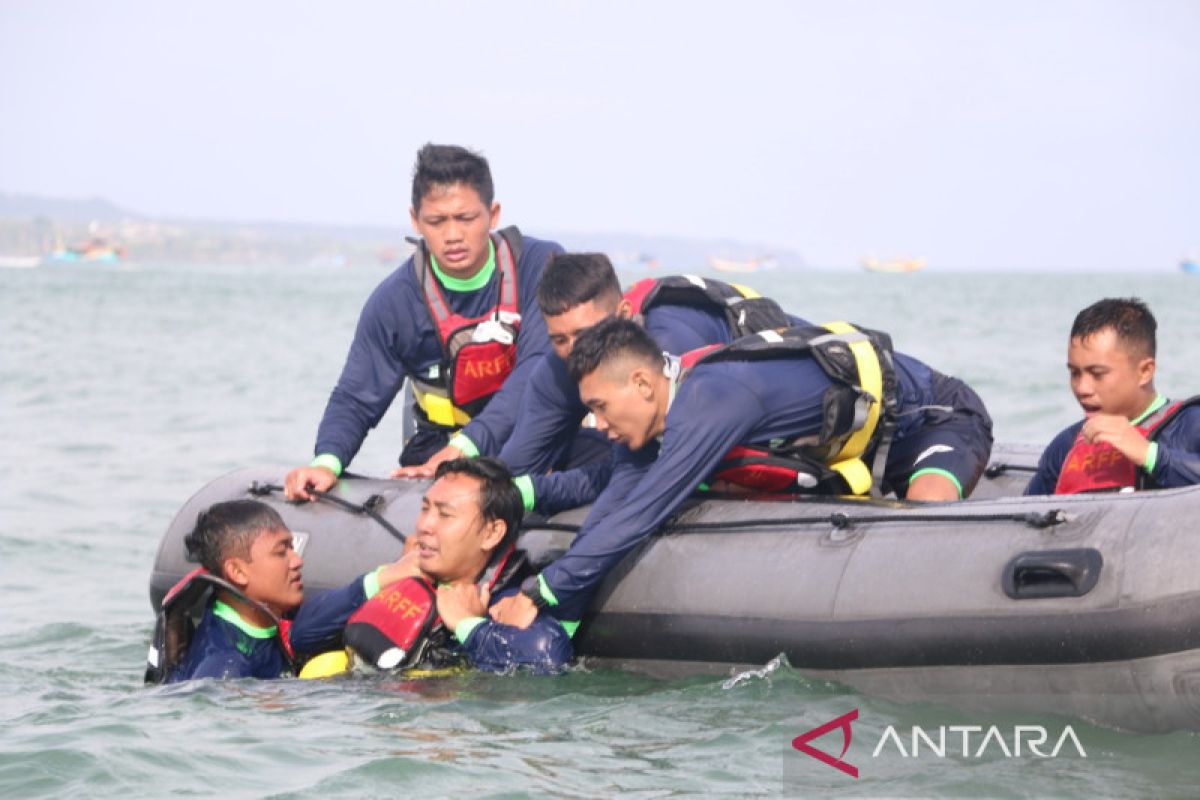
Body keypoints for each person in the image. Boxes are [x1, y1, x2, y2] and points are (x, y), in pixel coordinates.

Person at [492, 318, 993, 628]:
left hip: (935, 419)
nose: (598, 426)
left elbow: (643, 514)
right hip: (866, 454)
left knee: (928, 517)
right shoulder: (656, 424)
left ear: (643, 384)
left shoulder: (710, 401)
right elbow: (614, 505)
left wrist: (539, 592)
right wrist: (563, 609)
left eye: (601, 407)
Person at [283, 144, 562, 502]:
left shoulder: (541, 266)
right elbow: (356, 396)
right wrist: (326, 461)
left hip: (531, 442)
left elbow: (538, 368)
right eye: (436, 221)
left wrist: (466, 448)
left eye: (466, 218)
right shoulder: (395, 300)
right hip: (436, 452)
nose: (452, 235)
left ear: (493, 214)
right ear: (416, 220)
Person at [496, 251, 802, 484]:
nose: (575, 350)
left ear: (624, 313)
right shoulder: (555, 369)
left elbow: (637, 474)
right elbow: (515, 466)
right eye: (560, 339)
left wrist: (544, 491)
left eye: (585, 333)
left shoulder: (668, 348)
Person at [341, 457, 573, 672]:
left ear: (491, 533)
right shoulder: (400, 576)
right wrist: (376, 581)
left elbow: (550, 655)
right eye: (424, 509)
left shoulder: (503, 605)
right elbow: (307, 629)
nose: (425, 526)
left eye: (445, 515)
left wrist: (466, 624)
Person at [146, 499, 414, 683]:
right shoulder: (225, 670)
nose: (297, 560)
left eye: (292, 547)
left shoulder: (261, 617)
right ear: (237, 572)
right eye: (280, 552)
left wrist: (391, 574)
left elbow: (319, 613)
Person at [1025, 297, 1200, 495]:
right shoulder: (1065, 445)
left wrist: (1149, 455)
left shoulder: (1192, 425)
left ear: (1145, 371)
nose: (1082, 388)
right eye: (1075, 373)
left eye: (1097, 374)